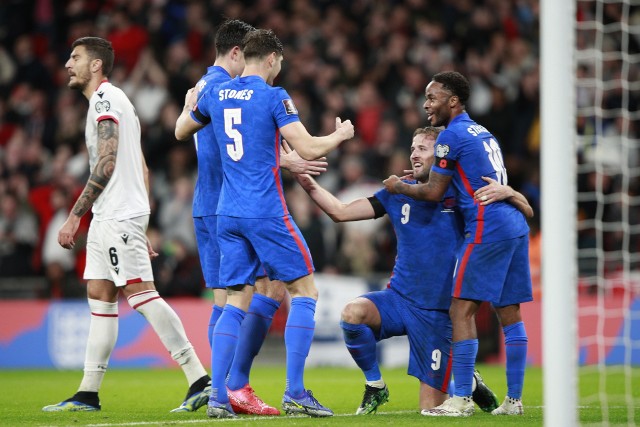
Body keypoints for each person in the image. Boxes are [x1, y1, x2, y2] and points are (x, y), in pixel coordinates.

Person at [175, 29, 354, 418]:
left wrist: (188, 106)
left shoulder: (216, 93)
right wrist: (340, 135)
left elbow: (180, 130)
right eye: (280, 63)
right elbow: (306, 147)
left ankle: (220, 398)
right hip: (265, 210)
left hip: (226, 212)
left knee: (235, 299)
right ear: (271, 59)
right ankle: (296, 393)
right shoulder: (275, 96)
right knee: (305, 290)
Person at [295, 127, 531, 415]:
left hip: (437, 314)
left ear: (443, 156)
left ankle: (467, 382)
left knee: (429, 410)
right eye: (413, 147)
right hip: (399, 298)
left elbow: (520, 211)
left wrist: (510, 191)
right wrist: (307, 183)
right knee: (352, 315)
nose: (414, 154)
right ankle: (375, 385)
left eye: (423, 148)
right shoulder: (397, 191)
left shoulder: (460, 193)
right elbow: (341, 212)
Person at [42, 37, 210, 413]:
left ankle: (199, 377)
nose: (68, 64)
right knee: (101, 296)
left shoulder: (104, 101)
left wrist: (74, 216)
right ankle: (87, 392)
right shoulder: (119, 102)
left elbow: (107, 161)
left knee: (141, 294)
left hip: (115, 213)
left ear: (97, 65)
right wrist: (142, 221)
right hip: (115, 216)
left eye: (75, 58)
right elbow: (144, 168)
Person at [384, 71, 533, 417]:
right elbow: (499, 186)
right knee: (509, 312)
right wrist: (514, 195)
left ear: (453, 101)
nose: (426, 104)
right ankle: (514, 402)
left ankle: (462, 397)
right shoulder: (483, 132)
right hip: (514, 225)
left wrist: (398, 186)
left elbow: (435, 191)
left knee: (460, 310)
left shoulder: (450, 137)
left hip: (487, 228)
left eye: (432, 97)